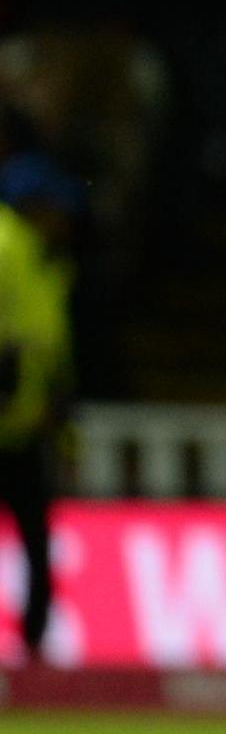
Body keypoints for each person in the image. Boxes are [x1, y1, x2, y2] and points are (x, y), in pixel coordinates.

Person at [0, 154, 82, 664]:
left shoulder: (43, 260)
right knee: (33, 539)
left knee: (36, 537)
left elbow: (49, 353)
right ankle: (33, 646)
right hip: (15, 422)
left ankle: (34, 644)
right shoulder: (8, 246)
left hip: (24, 428)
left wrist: (61, 424)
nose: (65, 218)